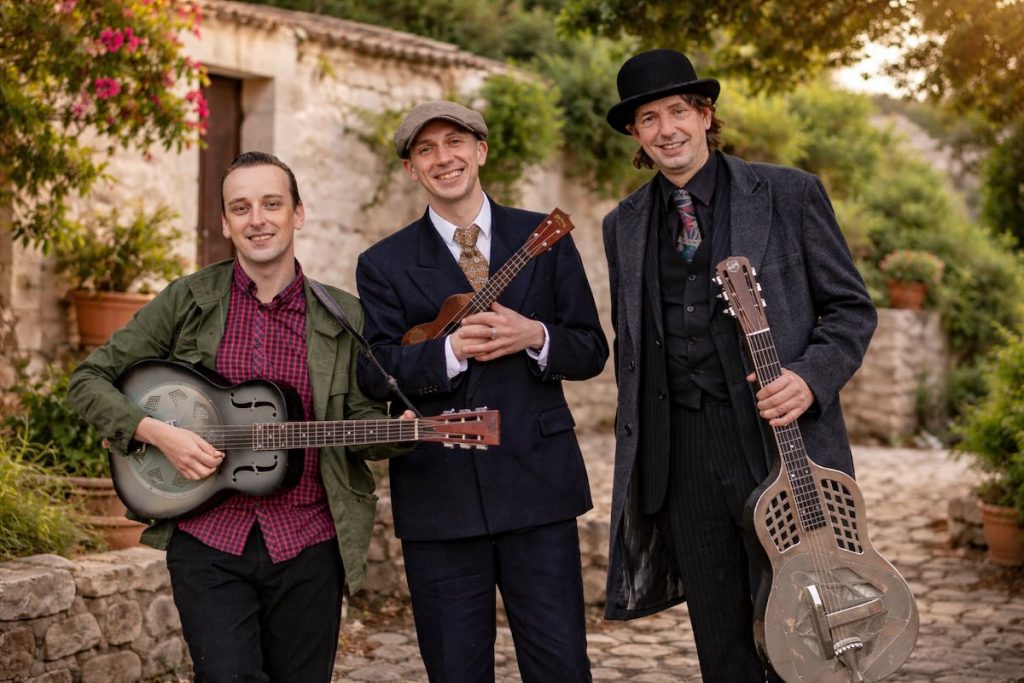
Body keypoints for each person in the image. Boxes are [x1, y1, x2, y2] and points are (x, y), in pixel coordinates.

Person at [67, 151, 409, 682]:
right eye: (241, 208)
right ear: (225, 223)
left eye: (272, 204)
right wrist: (156, 432)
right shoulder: (189, 299)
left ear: (298, 213)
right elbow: (88, 380)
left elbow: (360, 421)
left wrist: (400, 433)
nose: (257, 220)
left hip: (309, 542)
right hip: (208, 540)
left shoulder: (344, 316)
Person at [600, 49, 877, 681]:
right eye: (649, 119)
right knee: (720, 637)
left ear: (705, 115)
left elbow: (850, 310)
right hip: (680, 455)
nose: (666, 129)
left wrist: (808, 378)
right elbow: (634, 344)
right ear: (635, 134)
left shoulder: (789, 193)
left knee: (809, 626)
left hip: (778, 443)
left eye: (677, 111)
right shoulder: (623, 225)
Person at [355, 101, 608, 682]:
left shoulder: (543, 237)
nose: (443, 158)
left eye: (455, 142)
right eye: (426, 150)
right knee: (455, 670)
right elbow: (375, 371)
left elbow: (591, 348)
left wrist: (535, 335)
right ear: (410, 169)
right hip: (439, 495)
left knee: (561, 666)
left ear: (481, 151)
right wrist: (449, 352)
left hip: (538, 484)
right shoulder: (383, 262)